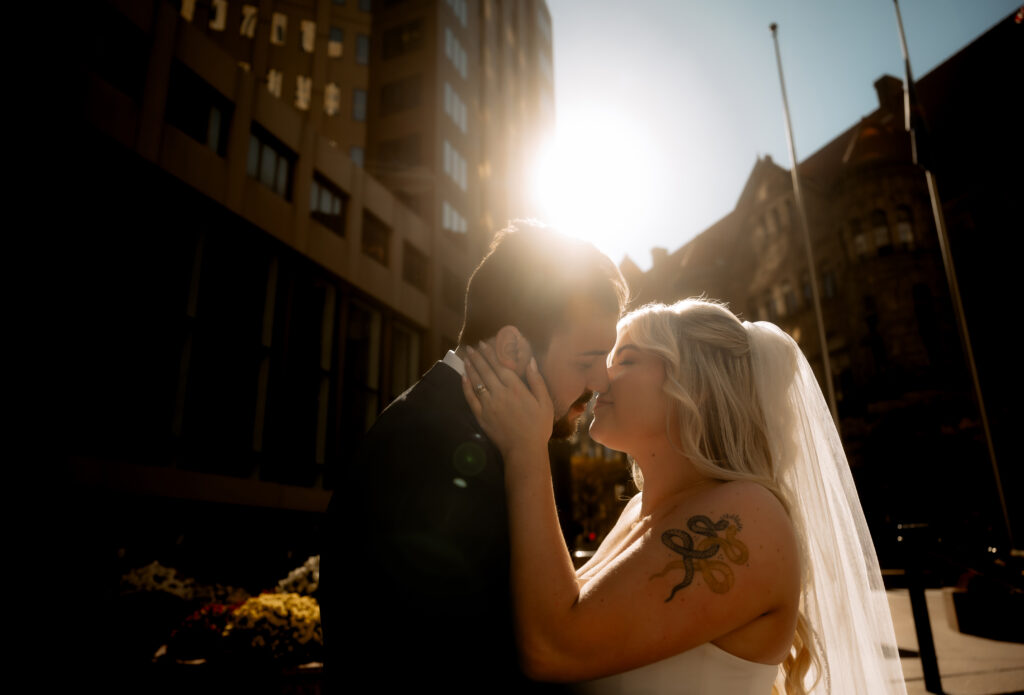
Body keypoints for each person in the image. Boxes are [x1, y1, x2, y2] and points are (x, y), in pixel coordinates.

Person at [462, 298, 907, 694]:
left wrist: (526, 448)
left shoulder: (748, 514)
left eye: (626, 359)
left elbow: (554, 647)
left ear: (695, 385)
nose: (600, 378)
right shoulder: (638, 511)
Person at [320, 221, 628, 693]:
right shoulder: (430, 446)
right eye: (587, 361)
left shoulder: (461, 427)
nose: (602, 383)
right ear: (511, 347)